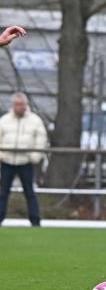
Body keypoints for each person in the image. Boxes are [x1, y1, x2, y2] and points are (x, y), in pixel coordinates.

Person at [0, 92, 48, 227]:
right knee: (3, 192)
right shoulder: (4, 120)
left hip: (26, 161)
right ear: (12, 105)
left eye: (21, 104)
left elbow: (41, 139)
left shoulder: (35, 120)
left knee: (29, 192)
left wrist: (35, 156)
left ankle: (35, 220)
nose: (19, 107)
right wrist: (2, 155)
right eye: (17, 104)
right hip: (7, 161)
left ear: (26, 105)